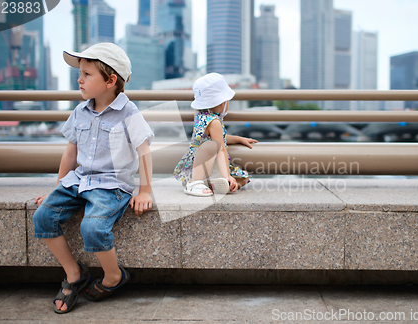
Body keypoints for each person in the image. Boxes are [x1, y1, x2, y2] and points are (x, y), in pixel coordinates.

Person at [33, 42, 154, 314]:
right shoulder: (80, 111)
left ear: (111, 80)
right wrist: (57, 188)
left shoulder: (130, 113)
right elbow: (70, 153)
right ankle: (74, 274)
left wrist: (144, 191)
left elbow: (144, 152)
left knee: (93, 228)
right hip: (79, 180)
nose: (80, 79)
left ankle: (114, 276)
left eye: (87, 74)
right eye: (80, 73)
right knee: (42, 216)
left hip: (112, 186)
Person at [174, 72, 257, 196]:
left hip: (197, 166)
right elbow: (221, 149)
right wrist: (227, 175)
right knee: (212, 146)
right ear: (223, 102)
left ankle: (215, 183)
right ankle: (195, 184)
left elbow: (219, 138)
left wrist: (238, 139)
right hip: (198, 170)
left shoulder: (200, 116)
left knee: (243, 178)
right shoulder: (214, 122)